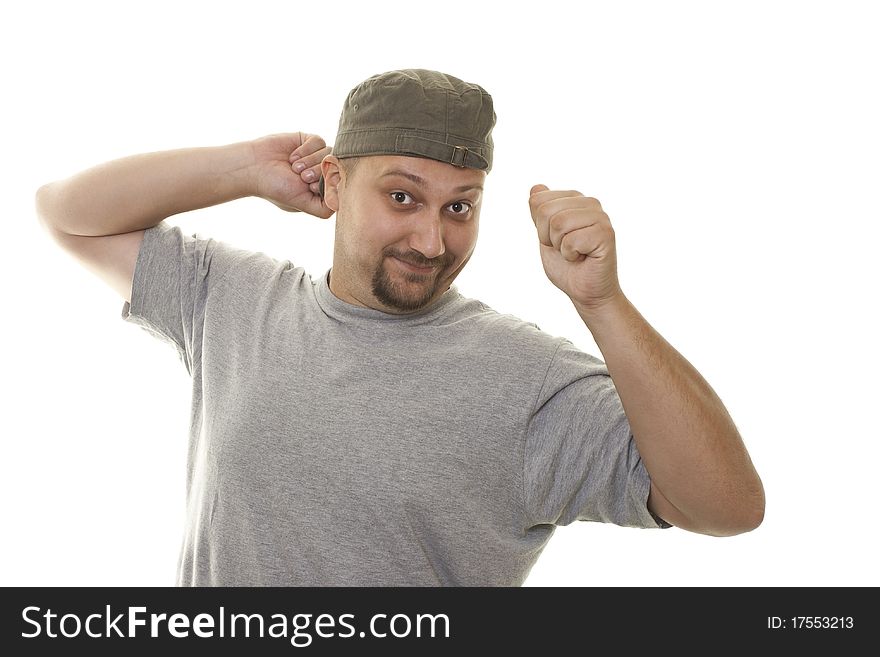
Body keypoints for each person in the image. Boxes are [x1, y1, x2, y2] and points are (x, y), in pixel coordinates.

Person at [35, 69, 764, 586]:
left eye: (459, 206)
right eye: (401, 196)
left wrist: (603, 304)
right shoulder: (232, 301)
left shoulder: (525, 377)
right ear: (334, 181)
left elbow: (726, 506)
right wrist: (244, 169)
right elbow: (66, 212)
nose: (431, 240)